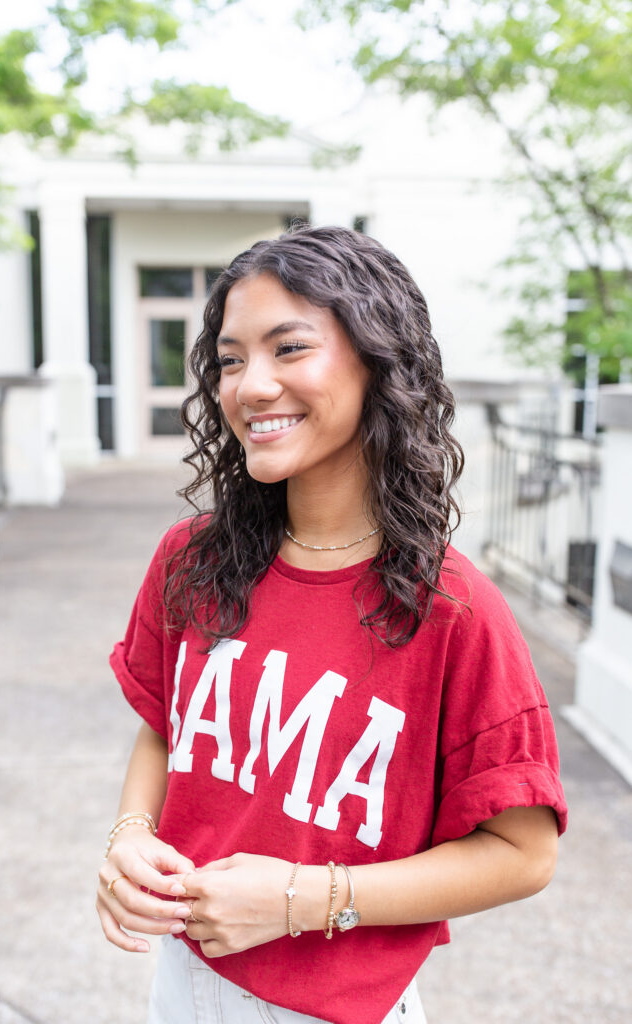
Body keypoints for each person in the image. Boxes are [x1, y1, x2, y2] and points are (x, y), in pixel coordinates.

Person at [96, 226, 567, 1024]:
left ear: (376, 364)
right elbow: (163, 725)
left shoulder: (450, 610)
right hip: (181, 983)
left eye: (288, 349)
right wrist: (129, 836)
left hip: (339, 1008)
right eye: (231, 359)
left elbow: (523, 854)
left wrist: (301, 899)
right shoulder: (191, 561)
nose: (250, 386)